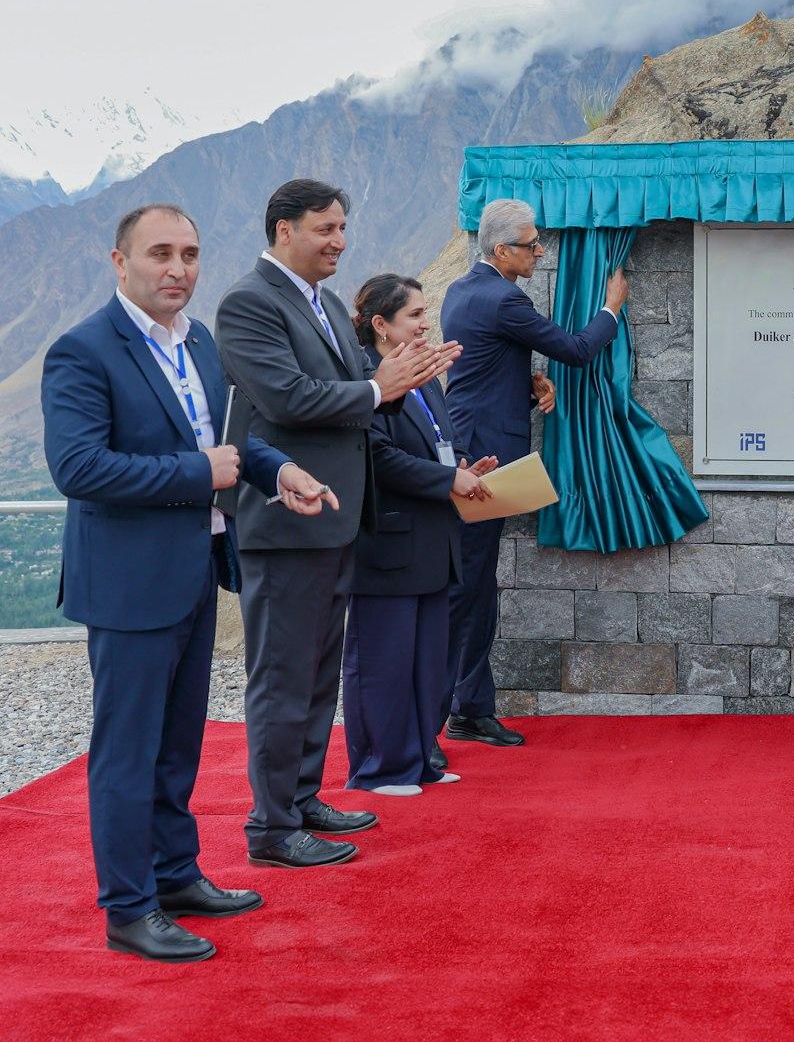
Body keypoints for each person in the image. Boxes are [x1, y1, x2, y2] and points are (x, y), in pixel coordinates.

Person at [43, 204, 334, 963]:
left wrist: (279, 471)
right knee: (127, 754)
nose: (178, 269)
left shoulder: (197, 341)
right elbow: (78, 469)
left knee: (177, 750)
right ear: (119, 262)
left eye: (191, 255)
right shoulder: (83, 351)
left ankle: (175, 876)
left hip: (194, 574)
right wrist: (193, 474)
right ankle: (129, 908)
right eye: (161, 254)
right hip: (128, 588)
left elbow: (231, 442)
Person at [215, 179, 461, 869]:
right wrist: (381, 387)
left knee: (321, 675)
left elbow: (358, 394)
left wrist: (400, 385)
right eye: (325, 228)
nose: (340, 241)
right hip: (286, 520)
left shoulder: (321, 301)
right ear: (283, 230)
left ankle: (302, 798)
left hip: (338, 518)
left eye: (343, 228)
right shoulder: (248, 303)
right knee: (283, 676)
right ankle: (270, 827)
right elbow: (286, 399)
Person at [439, 198, 626, 750]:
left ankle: (467, 706)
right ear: (502, 250)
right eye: (531, 243)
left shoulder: (463, 290)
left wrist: (527, 384)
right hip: (482, 461)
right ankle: (455, 710)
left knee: (472, 585)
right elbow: (574, 349)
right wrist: (612, 307)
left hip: (471, 445)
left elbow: (482, 369)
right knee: (469, 588)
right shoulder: (503, 299)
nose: (540, 251)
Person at [344, 274, 497, 796]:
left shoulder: (427, 377)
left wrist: (467, 470)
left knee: (426, 659)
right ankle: (380, 768)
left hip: (434, 536)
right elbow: (378, 457)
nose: (425, 323)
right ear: (381, 326)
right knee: (383, 662)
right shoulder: (366, 378)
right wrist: (445, 477)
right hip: (389, 538)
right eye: (414, 315)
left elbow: (436, 446)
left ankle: (417, 760)